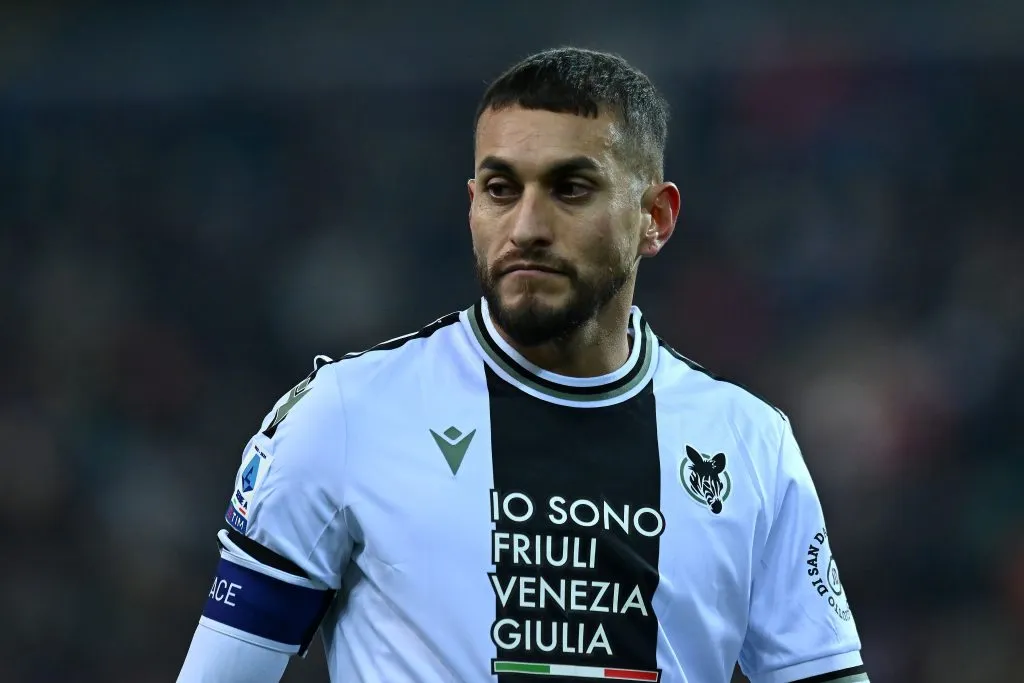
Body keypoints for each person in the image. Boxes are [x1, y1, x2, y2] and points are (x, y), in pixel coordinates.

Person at [176, 47, 868, 683]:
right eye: (503, 189)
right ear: (474, 204)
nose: (528, 226)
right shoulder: (344, 414)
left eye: (571, 189)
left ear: (655, 217)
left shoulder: (750, 444)